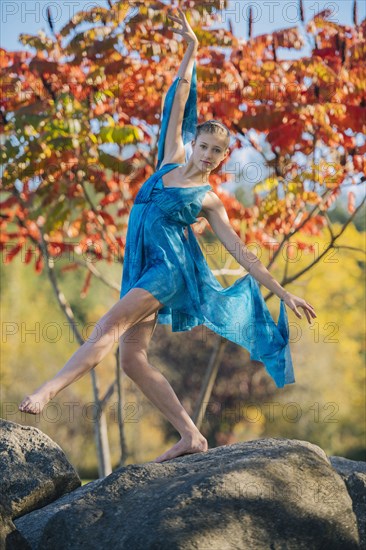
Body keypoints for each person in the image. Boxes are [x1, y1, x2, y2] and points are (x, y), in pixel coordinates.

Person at [18, 8, 316, 463]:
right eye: (206, 146)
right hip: (141, 265)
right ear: (194, 144)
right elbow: (178, 100)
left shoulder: (209, 199)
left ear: (222, 159)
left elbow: (242, 253)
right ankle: (191, 436)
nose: (210, 155)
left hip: (169, 271)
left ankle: (46, 390)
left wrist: (283, 293)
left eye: (219, 153)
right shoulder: (170, 160)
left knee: (107, 328)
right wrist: (192, 50)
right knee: (131, 360)